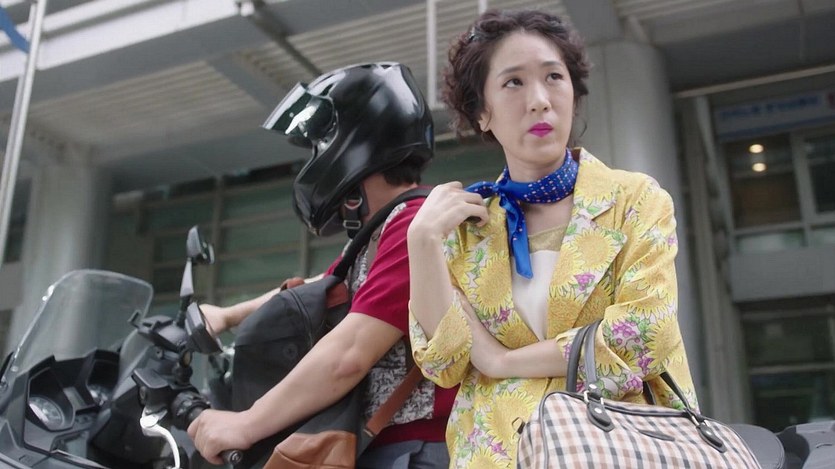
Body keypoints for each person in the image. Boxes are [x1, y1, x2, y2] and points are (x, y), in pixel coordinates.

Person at [406, 9, 700, 468]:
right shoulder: (465, 231)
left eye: (553, 77)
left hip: (622, 452)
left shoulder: (634, 200)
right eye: (514, 82)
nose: (540, 100)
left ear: (573, 94)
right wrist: (421, 241)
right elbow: (444, 365)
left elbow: (645, 335)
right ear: (481, 113)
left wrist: (501, 362)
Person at [187, 62, 456, 468]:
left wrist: (246, 424)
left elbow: (350, 352)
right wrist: (227, 315)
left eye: (318, 147)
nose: (316, 159)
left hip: (415, 452)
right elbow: (322, 286)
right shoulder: (384, 231)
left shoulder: (418, 225)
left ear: (353, 145)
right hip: (383, 448)